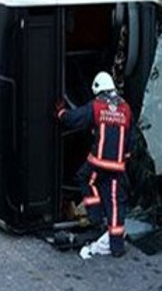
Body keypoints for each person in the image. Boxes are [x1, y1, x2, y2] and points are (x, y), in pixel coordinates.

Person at [56, 72, 134, 258]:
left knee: (85, 179)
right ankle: (117, 247)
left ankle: (95, 215)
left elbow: (75, 119)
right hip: (117, 165)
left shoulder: (97, 106)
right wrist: (125, 158)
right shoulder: (125, 108)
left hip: (98, 162)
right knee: (115, 202)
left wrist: (61, 113)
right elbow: (130, 139)